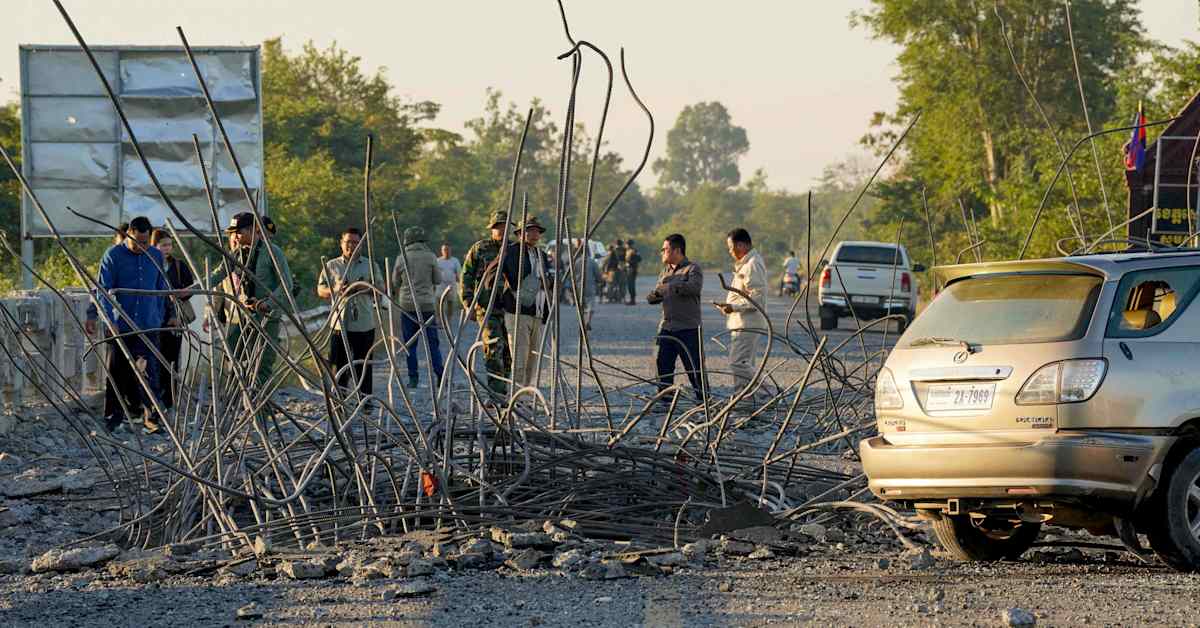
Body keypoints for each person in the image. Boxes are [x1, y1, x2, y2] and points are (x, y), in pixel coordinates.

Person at [85, 216, 168, 435]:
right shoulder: (113, 256)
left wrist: (158, 315)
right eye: (137, 242)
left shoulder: (156, 255)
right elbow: (103, 290)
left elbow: (161, 289)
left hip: (149, 324)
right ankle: (114, 417)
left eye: (145, 243)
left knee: (151, 371)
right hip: (120, 324)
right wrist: (109, 320)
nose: (141, 247)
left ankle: (152, 417)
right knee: (118, 371)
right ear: (129, 233)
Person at [212, 212, 292, 393]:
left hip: (266, 318)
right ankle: (238, 402)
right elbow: (217, 275)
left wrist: (267, 303)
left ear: (251, 231)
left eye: (237, 232)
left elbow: (286, 284)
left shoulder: (272, 252)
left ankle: (260, 414)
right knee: (231, 352)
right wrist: (188, 290)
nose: (234, 236)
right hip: (243, 318)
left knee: (262, 367)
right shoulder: (236, 254)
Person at [318, 227, 381, 396]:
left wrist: (364, 287)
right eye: (348, 242)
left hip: (364, 324)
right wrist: (336, 289)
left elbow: (381, 289)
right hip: (339, 325)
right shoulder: (331, 265)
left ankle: (365, 403)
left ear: (361, 244)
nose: (351, 246)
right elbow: (321, 290)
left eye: (355, 242)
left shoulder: (370, 265)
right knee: (339, 366)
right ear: (341, 244)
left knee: (364, 366)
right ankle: (340, 401)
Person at [647, 234, 705, 404]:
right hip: (666, 326)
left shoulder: (693, 269)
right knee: (662, 366)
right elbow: (654, 295)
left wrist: (670, 286)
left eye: (665, 249)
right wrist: (657, 293)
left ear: (677, 250)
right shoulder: (665, 271)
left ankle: (704, 403)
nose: (662, 253)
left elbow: (694, 288)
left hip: (688, 328)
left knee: (694, 369)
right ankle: (665, 401)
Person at [460, 211, 512, 397]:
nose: (502, 229)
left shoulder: (515, 249)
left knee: (509, 352)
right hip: (487, 308)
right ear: (492, 229)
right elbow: (467, 276)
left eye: (505, 226)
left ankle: (507, 390)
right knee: (493, 348)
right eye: (499, 226)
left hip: (511, 308)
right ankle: (496, 393)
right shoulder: (480, 248)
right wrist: (468, 303)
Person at [499, 216, 552, 389]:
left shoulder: (541, 255)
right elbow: (516, 279)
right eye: (530, 230)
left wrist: (546, 282)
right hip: (518, 311)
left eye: (537, 231)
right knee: (519, 358)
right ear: (520, 233)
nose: (534, 234)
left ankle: (526, 395)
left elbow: (549, 280)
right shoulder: (512, 252)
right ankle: (515, 395)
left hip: (537, 311)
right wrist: (541, 281)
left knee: (533, 359)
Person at [716, 228, 768, 399]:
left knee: (737, 363)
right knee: (745, 366)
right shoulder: (745, 264)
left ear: (741, 245)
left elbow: (757, 299)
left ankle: (768, 392)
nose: (730, 252)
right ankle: (743, 401)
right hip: (740, 322)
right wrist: (729, 306)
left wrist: (734, 307)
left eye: (731, 248)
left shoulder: (753, 264)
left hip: (748, 323)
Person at [393, 226, 445, 390]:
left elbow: (395, 282)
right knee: (432, 344)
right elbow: (437, 280)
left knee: (410, 345)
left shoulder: (402, 258)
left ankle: (413, 378)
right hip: (427, 306)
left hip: (407, 306)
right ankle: (440, 376)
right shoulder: (430, 257)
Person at [150, 229, 195, 412]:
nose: (167, 248)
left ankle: (169, 401)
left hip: (174, 320)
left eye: (169, 244)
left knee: (172, 360)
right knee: (153, 360)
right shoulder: (149, 264)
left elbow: (190, 288)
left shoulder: (178, 266)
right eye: (163, 245)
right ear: (154, 246)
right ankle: (153, 401)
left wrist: (177, 302)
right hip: (153, 319)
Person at [570, 242, 603, 331]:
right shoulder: (592, 262)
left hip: (578, 286)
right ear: (588, 251)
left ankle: (581, 322)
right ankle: (587, 321)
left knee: (580, 306)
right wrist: (600, 281)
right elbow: (598, 275)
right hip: (590, 286)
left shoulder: (576, 262)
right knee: (590, 305)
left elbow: (571, 275)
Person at [436, 243, 462, 320]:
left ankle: (449, 320)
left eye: (448, 249)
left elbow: (459, 274)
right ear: (442, 251)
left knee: (450, 303)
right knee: (439, 303)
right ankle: (440, 319)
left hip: (451, 285)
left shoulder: (455, 261)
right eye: (444, 250)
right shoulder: (438, 261)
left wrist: (460, 285)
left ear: (450, 250)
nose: (446, 251)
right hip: (440, 286)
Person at [603, 239, 626, 303]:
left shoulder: (613, 251)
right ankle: (621, 298)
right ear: (621, 244)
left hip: (612, 270)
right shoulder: (625, 250)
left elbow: (609, 261)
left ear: (615, 244)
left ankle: (610, 299)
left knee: (611, 285)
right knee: (622, 284)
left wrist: (606, 271)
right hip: (622, 270)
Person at [624, 239, 642, 305]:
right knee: (629, 285)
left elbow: (639, 259)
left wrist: (630, 263)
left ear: (629, 244)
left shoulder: (634, 251)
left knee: (631, 285)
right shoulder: (627, 251)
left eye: (626, 244)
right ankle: (631, 299)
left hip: (632, 269)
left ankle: (633, 300)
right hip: (628, 269)